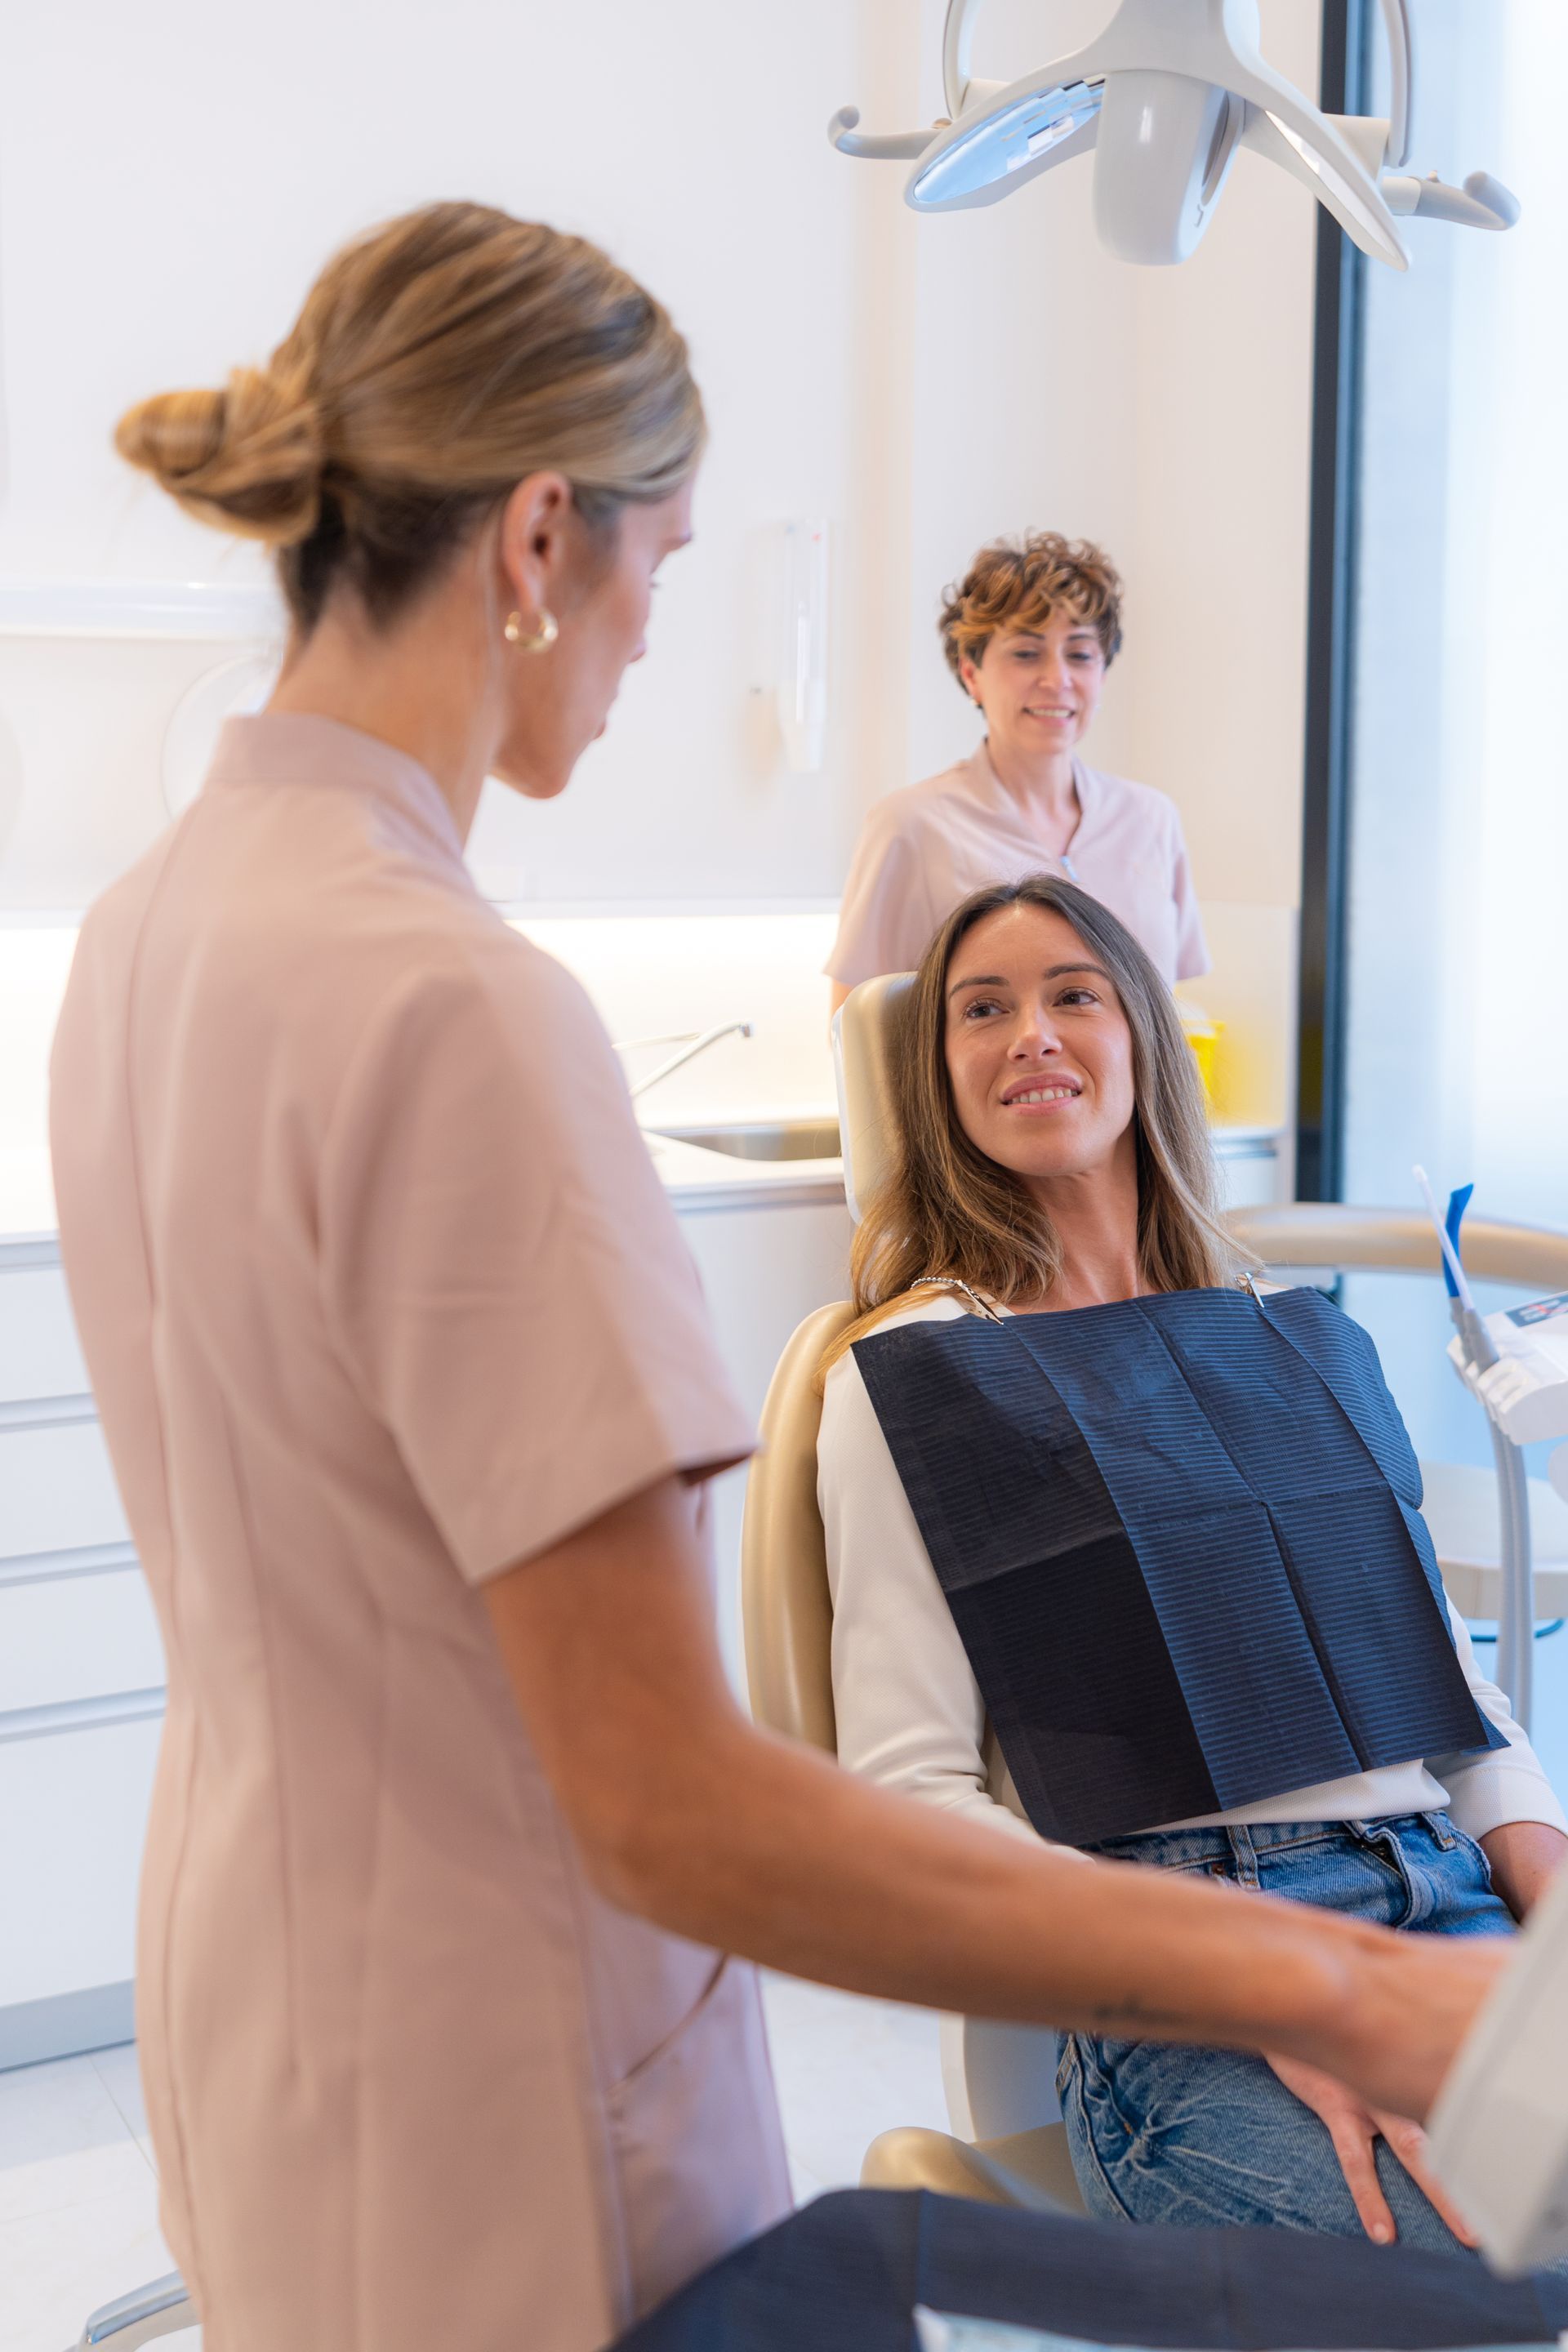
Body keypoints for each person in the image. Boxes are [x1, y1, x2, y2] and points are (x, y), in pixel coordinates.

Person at [47, 205, 1512, 2352]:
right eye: (663, 556)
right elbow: (667, 1802)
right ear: (542, 539)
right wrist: (1344, 1978)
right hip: (500, 2075)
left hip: (262, 2012)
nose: (655, 628)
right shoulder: (457, 1005)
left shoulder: (150, 939)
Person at [818, 871, 1568, 2257]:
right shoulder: (911, 1379)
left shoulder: (1303, 1337)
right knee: (1477, 2269)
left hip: (1448, 1903)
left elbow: (1461, 1702)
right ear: (943, 1087)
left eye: (1072, 995)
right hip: (1185, 1964)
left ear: (1143, 1040)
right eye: (981, 1010)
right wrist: (1256, 1988)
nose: (1028, 1032)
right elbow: (909, 1796)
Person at [826, 533, 1207, 1012]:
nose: (1057, 679)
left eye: (1081, 654)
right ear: (971, 673)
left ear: (1103, 672)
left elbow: (1170, 1015)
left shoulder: (1151, 818)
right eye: (1026, 653)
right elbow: (857, 1029)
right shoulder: (911, 825)